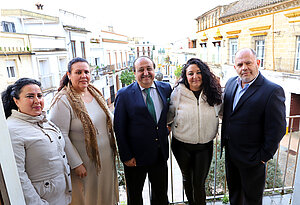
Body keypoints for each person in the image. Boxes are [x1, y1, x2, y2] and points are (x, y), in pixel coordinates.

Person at [49, 57, 119, 205]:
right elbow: (60, 135)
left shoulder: (94, 92)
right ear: (69, 74)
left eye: (86, 72)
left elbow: (110, 119)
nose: (83, 75)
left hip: (105, 158)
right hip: (84, 163)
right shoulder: (63, 100)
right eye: (78, 72)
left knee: (105, 195)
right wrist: (76, 164)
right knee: (88, 197)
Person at [221, 48, 286, 205]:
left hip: (253, 158)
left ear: (257, 63)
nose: (244, 68)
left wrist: (263, 157)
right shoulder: (231, 83)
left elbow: (278, 128)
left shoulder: (272, 91)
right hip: (231, 154)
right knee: (234, 195)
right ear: (235, 67)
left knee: (252, 199)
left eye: (248, 63)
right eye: (240, 64)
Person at [1, 78, 72, 205]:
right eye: (30, 96)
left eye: (39, 95)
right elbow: (18, 175)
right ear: (16, 101)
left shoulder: (44, 121)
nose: (37, 101)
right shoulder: (12, 130)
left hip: (62, 198)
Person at [114, 56, 172, 205]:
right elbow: (119, 128)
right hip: (135, 158)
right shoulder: (124, 95)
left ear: (154, 70)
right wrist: (126, 156)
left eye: (149, 69)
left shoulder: (165, 88)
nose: (145, 73)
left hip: (160, 154)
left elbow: (171, 113)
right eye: (141, 70)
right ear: (135, 73)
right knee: (134, 197)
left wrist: (169, 127)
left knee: (160, 195)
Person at [167, 58, 222, 205]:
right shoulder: (178, 93)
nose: (195, 77)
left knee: (199, 183)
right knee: (187, 179)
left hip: (204, 146)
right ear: (186, 76)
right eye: (190, 73)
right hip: (181, 145)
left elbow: (224, 114)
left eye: (198, 72)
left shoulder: (214, 93)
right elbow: (169, 115)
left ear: (204, 74)